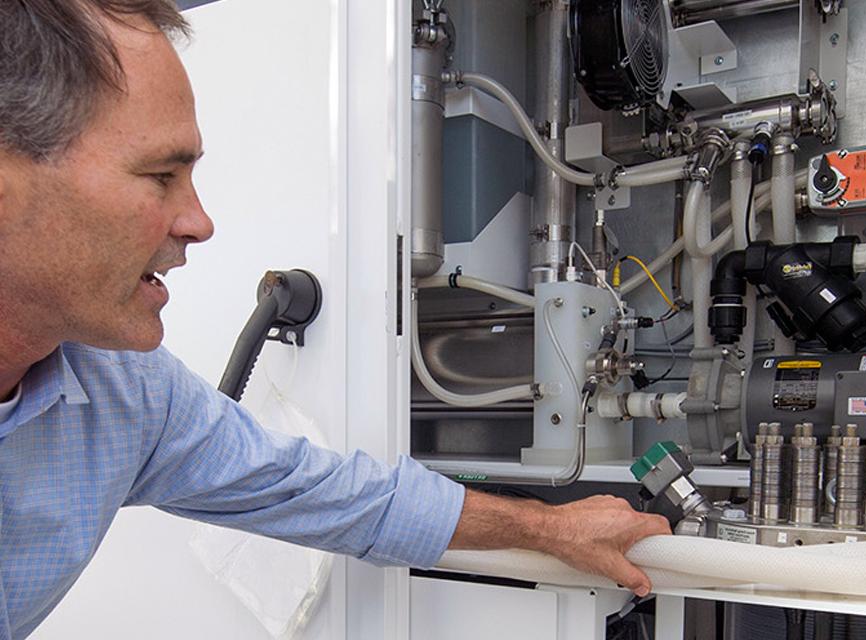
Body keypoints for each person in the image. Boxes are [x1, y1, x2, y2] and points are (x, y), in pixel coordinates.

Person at [0, 1, 671, 637]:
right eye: (158, 176)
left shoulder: (123, 394)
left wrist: (553, 530)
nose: (199, 223)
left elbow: (332, 494)